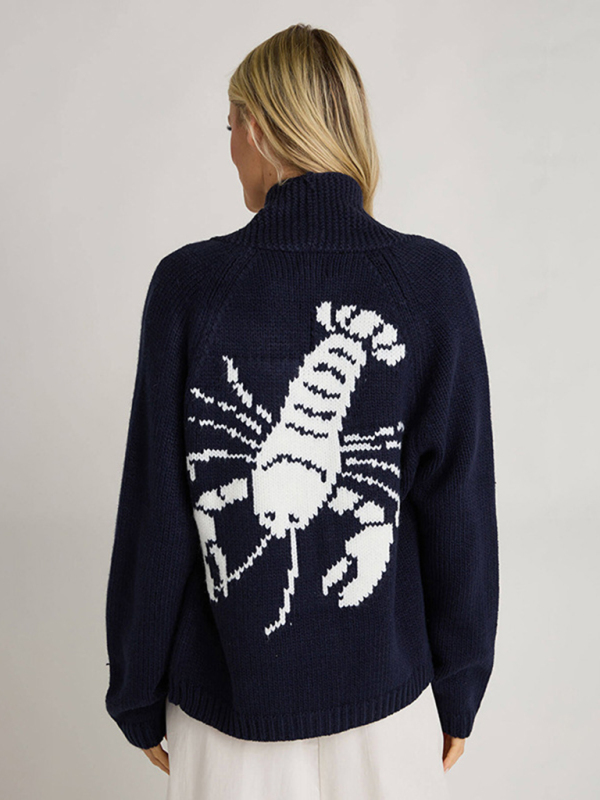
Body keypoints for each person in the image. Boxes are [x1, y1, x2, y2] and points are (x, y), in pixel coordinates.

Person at [104, 23, 499, 800]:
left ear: (255, 127)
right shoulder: (433, 281)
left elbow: (159, 511)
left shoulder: (188, 286)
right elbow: (457, 509)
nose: (230, 149)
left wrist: (137, 689)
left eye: (229, 127)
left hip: (225, 723)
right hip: (390, 717)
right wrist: (460, 687)